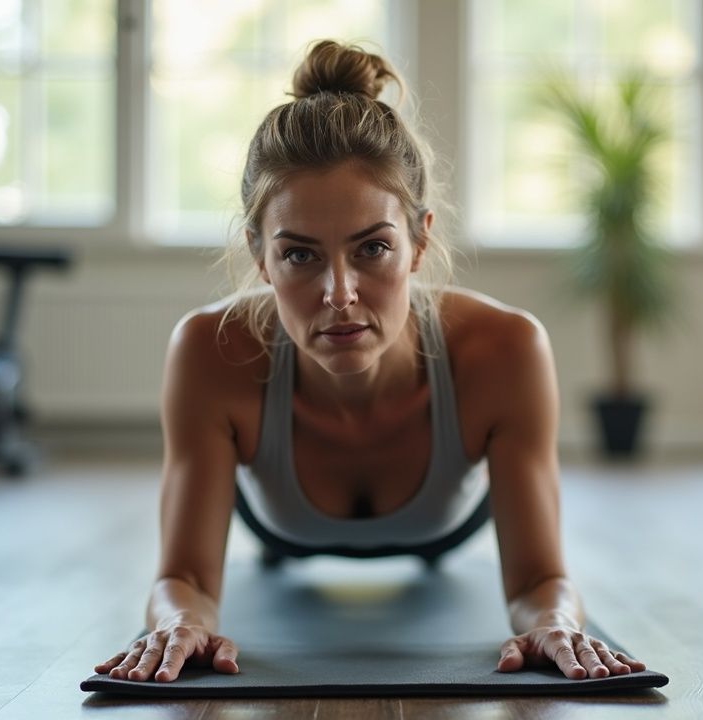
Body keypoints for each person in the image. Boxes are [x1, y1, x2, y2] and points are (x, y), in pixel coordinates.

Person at [94, 39, 646, 684]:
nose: (339, 294)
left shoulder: (507, 349)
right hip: (280, 529)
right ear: (260, 256)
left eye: (372, 248)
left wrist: (554, 621)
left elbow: (539, 580)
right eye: (299, 254)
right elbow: (184, 577)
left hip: (443, 528)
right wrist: (177, 622)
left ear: (419, 241)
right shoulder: (209, 349)